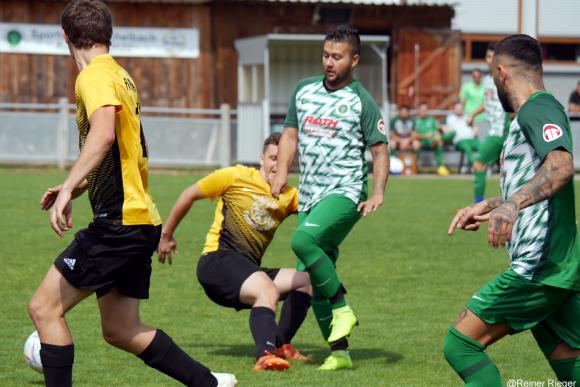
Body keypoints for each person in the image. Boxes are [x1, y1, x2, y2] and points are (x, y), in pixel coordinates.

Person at [27, 2, 236, 386]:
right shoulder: (121, 76)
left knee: (44, 309)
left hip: (120, 223)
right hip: (140, 221)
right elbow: (127, 152)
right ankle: (208, 383)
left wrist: (68, 187)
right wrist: (76, 185)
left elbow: (104, 134)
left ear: (65, 36)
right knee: (121, 329)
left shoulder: (92, 77)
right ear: (108, 34)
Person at [446, 34, 580, 386]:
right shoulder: (532, 114)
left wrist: (512, 205)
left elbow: (562, 166)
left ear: (502, 73)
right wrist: (490, 205)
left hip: (540, 266)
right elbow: (533, 177)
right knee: (571, 368)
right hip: (556, 269)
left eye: (492, 76)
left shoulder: (539, 108)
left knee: (460, 345)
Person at [271, 25, 389, 371]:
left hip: (346, 192)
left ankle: (342, 307)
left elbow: (380, 152)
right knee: (311, 276)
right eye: (325, 55)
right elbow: (290, 134)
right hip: (310, 195)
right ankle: (340, 352)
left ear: (354, 59)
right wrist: (281, 173)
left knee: (302, 240)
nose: (329, 62)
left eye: (337, 57)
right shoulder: (303, 90)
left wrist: (378, 192)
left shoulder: (361, 101)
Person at [157, 132, 312, 372]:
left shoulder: (290, 196)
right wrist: (166, 236)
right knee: (267, 290)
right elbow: (189, 194)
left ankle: (281, 344)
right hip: (217, 262)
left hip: (248, 270)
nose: (277, 165)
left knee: (305, 281)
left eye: (283, 160)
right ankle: (265, 356)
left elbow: (321, 213)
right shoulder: (236, 176)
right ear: (261, 159)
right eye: (273, 158)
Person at [469, 43, 511, 203]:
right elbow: (487, 103)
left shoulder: (503, 78)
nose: (489, 60)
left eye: (492, 57)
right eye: (487, 57)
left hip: (500, 132)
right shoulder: (488, 80)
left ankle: (478, 203)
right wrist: (473, 114)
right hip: (493, 130)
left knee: (479, 164)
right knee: (505, 170)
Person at [413, 101, 451, 176]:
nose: (424, 112)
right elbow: (414, 135)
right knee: (415, 144)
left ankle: (440, 167)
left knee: (439, 141)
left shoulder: (431, 120)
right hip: (422, 142)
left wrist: (443, 127)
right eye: (422, 110)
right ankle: (414, 167)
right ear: (419, 110)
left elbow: (439, 126)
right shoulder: (415, 121)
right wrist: (425, 135)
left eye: (425, 110)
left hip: (433, 142)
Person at [443, 101, 479, 168]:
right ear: (454, 109)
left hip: (471, 139)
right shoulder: (450, 118)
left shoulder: (467, 117)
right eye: (457, 108)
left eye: (461, 108)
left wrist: (475, 128)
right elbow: (447, 131)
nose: (459, 110)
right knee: (467, 148)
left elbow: (474, 126)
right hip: (460, 141)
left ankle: (486, 166)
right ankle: (476, 166)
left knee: (482, 146)